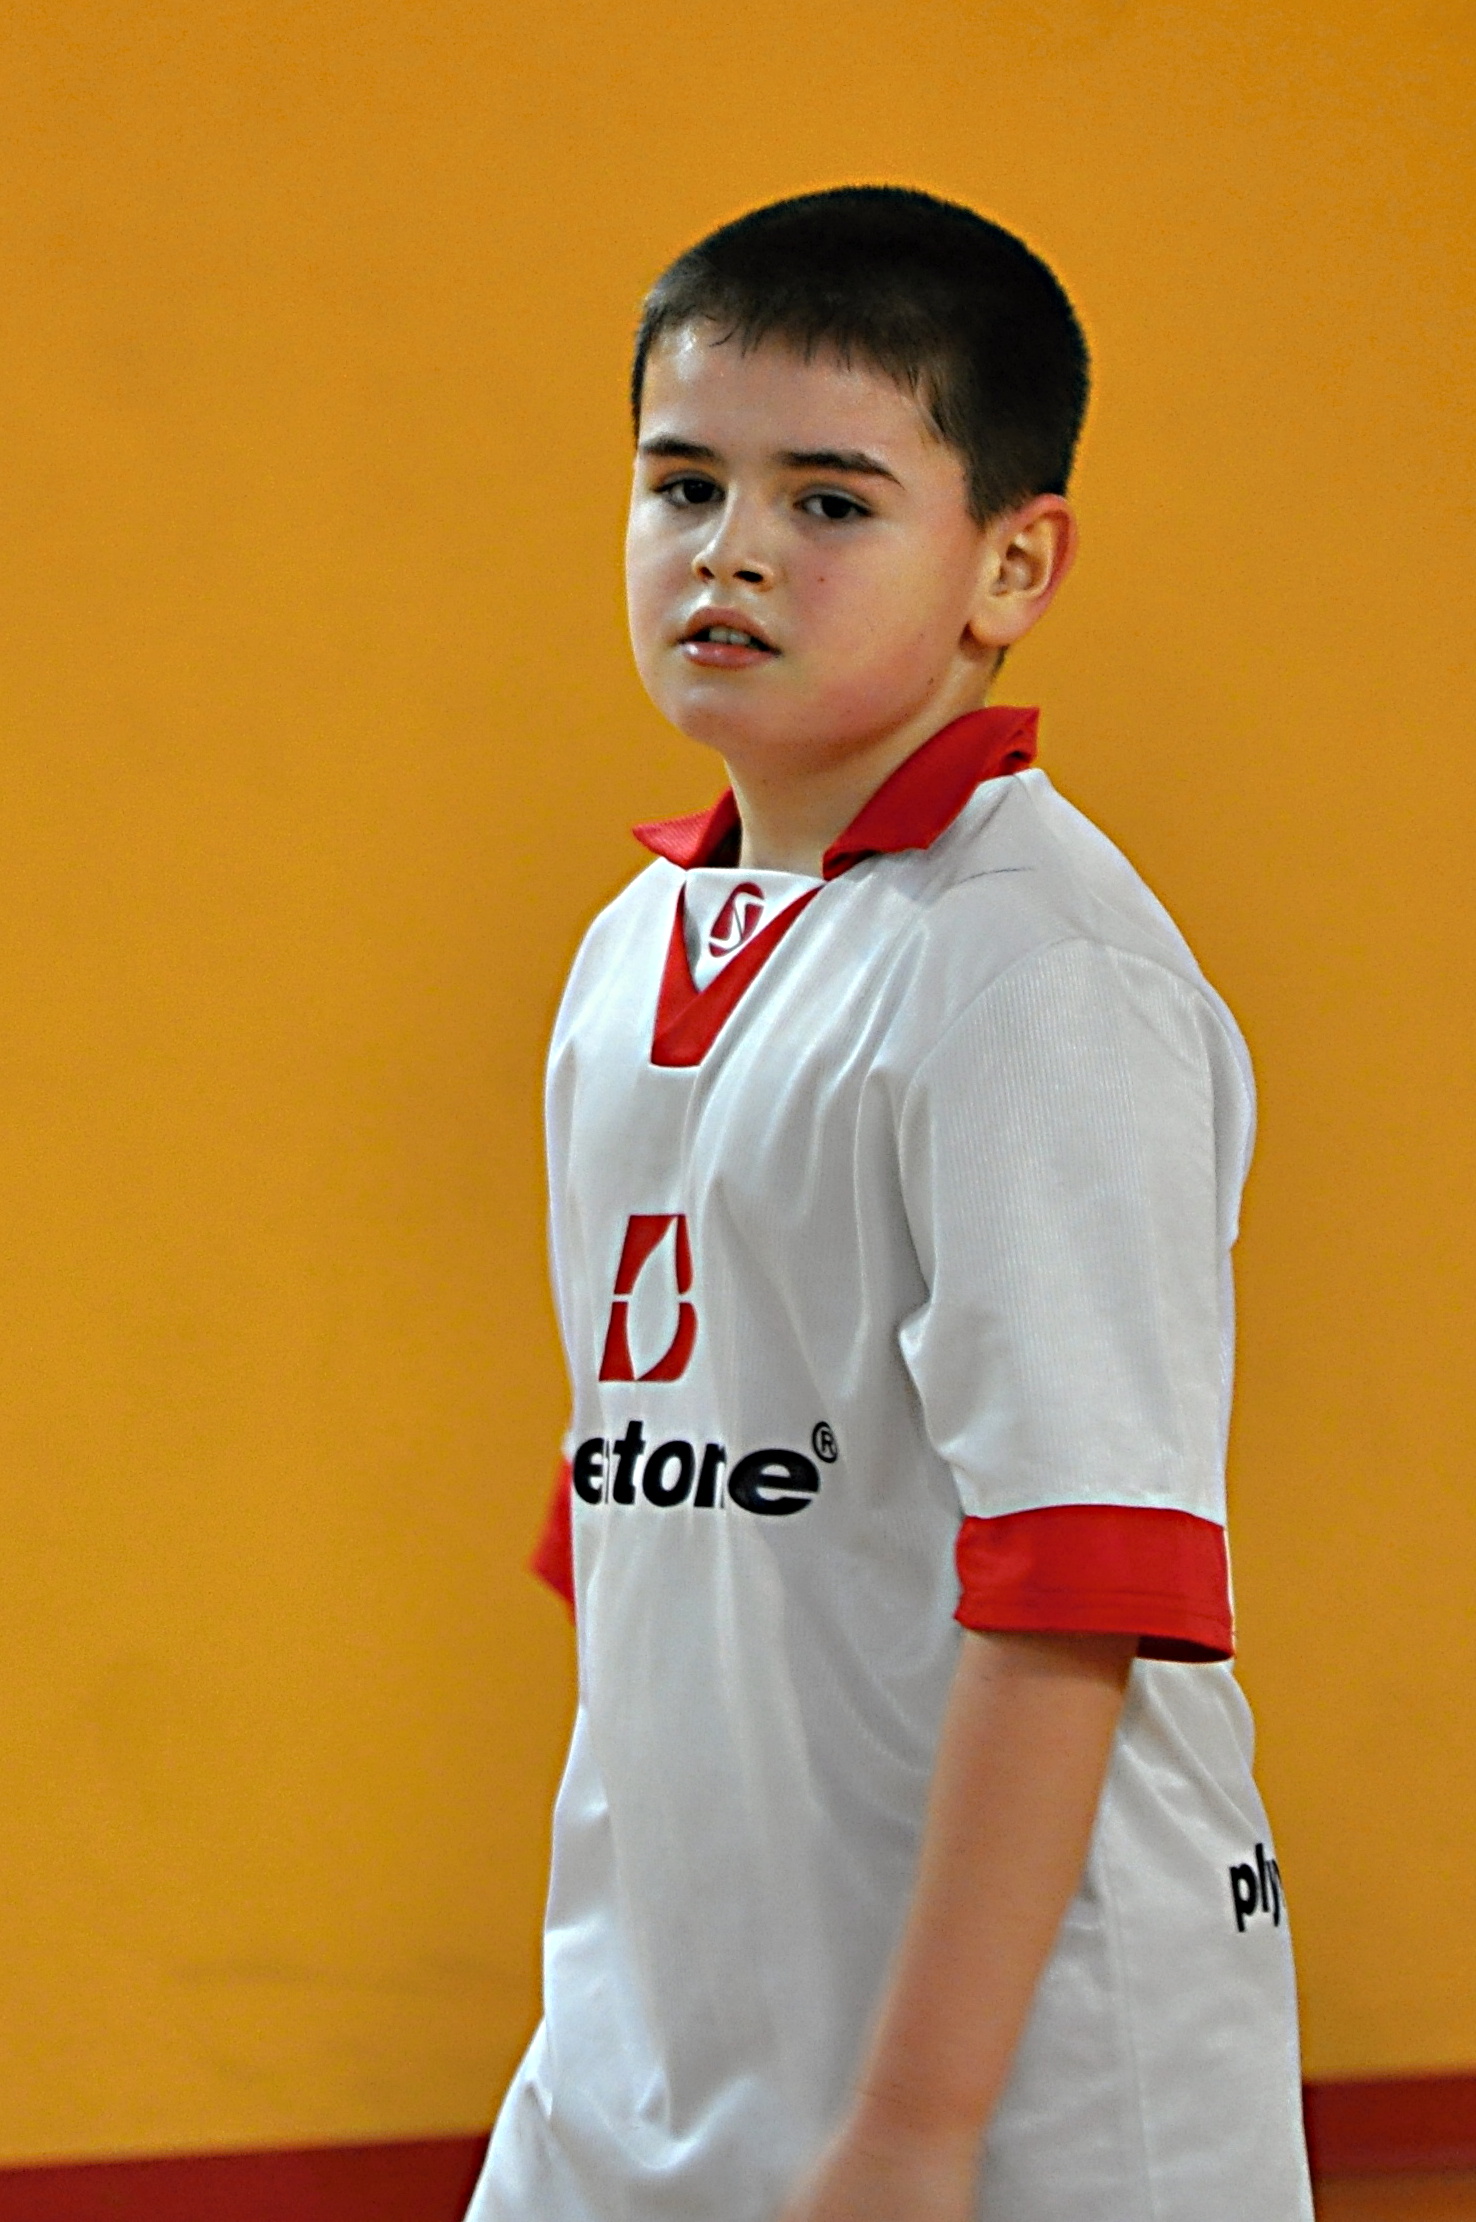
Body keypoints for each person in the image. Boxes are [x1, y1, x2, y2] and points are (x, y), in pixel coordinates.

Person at [465, 185, 1313, 2222]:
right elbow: (652, 1526)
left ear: (1011, 564)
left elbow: (1077, 1582)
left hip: (1018, 2084)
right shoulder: (626, 956)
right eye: (684, 483)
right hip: (652, 2040)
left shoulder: (1037, 977)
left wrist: (921, 2121)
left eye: (830, 500)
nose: (732, 550)